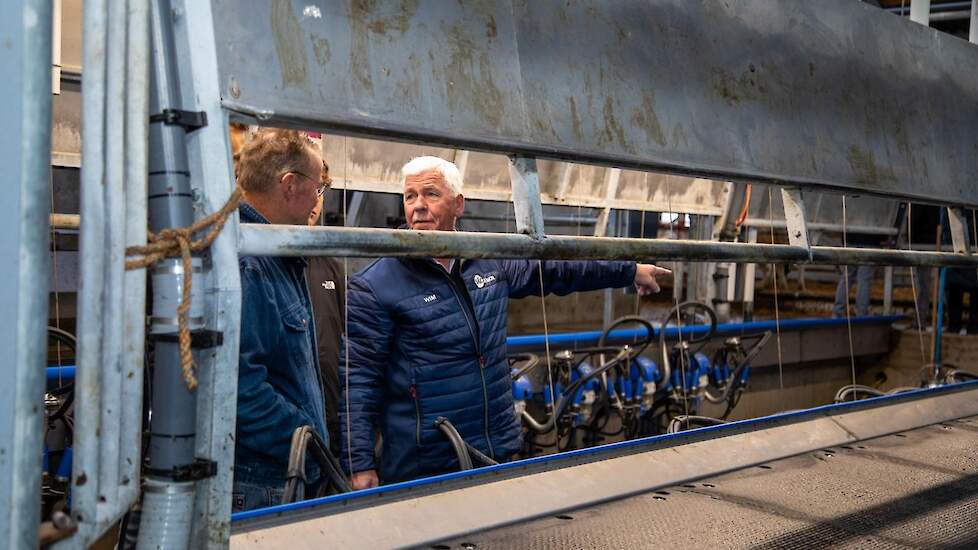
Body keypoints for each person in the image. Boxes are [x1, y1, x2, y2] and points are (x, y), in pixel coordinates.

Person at [341, 156, 670, 489]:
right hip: (425, 461)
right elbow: (359, 379)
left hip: (495, 446)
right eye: (410, 197)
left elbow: (557, 268)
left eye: (430, 194)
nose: (418, 207)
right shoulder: (376, 284)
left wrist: (628, 270)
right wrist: (360, 463)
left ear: (458, 204)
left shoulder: (488, 258)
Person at [233, 128, 330, 511]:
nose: (316, 200)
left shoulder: (274, 254)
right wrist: (306, 444)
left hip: (279, 473)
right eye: (317, 188)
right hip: (264, 481)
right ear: (290, 185)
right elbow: (239, 389)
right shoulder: (250, 264)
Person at [306, 179, 347, 454]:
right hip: (286, 428)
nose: (315, 199)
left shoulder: (329, 264)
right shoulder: (257, 257)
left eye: (320, 190)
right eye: (307, 185)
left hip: (330, 419)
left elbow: (347, 341)